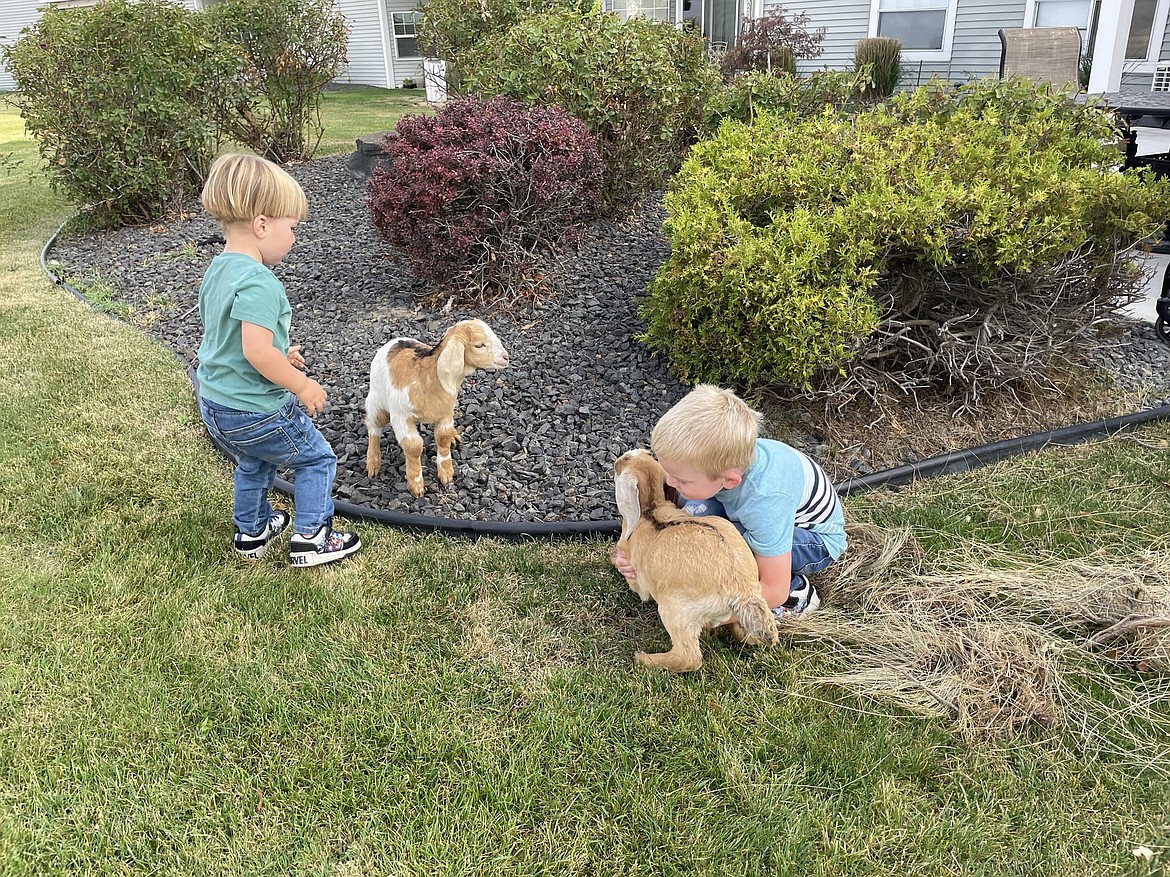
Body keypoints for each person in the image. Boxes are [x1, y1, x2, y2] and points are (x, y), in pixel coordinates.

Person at [195, 152, 360, 567]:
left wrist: (280, 352)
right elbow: (254, 351)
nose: (294, 237)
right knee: (317, 458)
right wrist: (301, 384)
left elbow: (230, 337)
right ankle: (312, 538)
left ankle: (252, 532)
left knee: (253, 459)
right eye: (292, 228)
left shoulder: (220, 269)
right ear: (262, 224)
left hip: (216, 403)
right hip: (256, 409)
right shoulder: (260, 282)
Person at [613, 385, 846, 620]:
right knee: (697, 525)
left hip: (812, 540)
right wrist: (635, 556)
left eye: (681, 479)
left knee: (729, 550)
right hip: (749, 510)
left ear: (729, 480)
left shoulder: (765, 502)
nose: (670, 483)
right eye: (667, 471)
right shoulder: (717, 465)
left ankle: (798, 594)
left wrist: (707, 615)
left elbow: (774, 589)